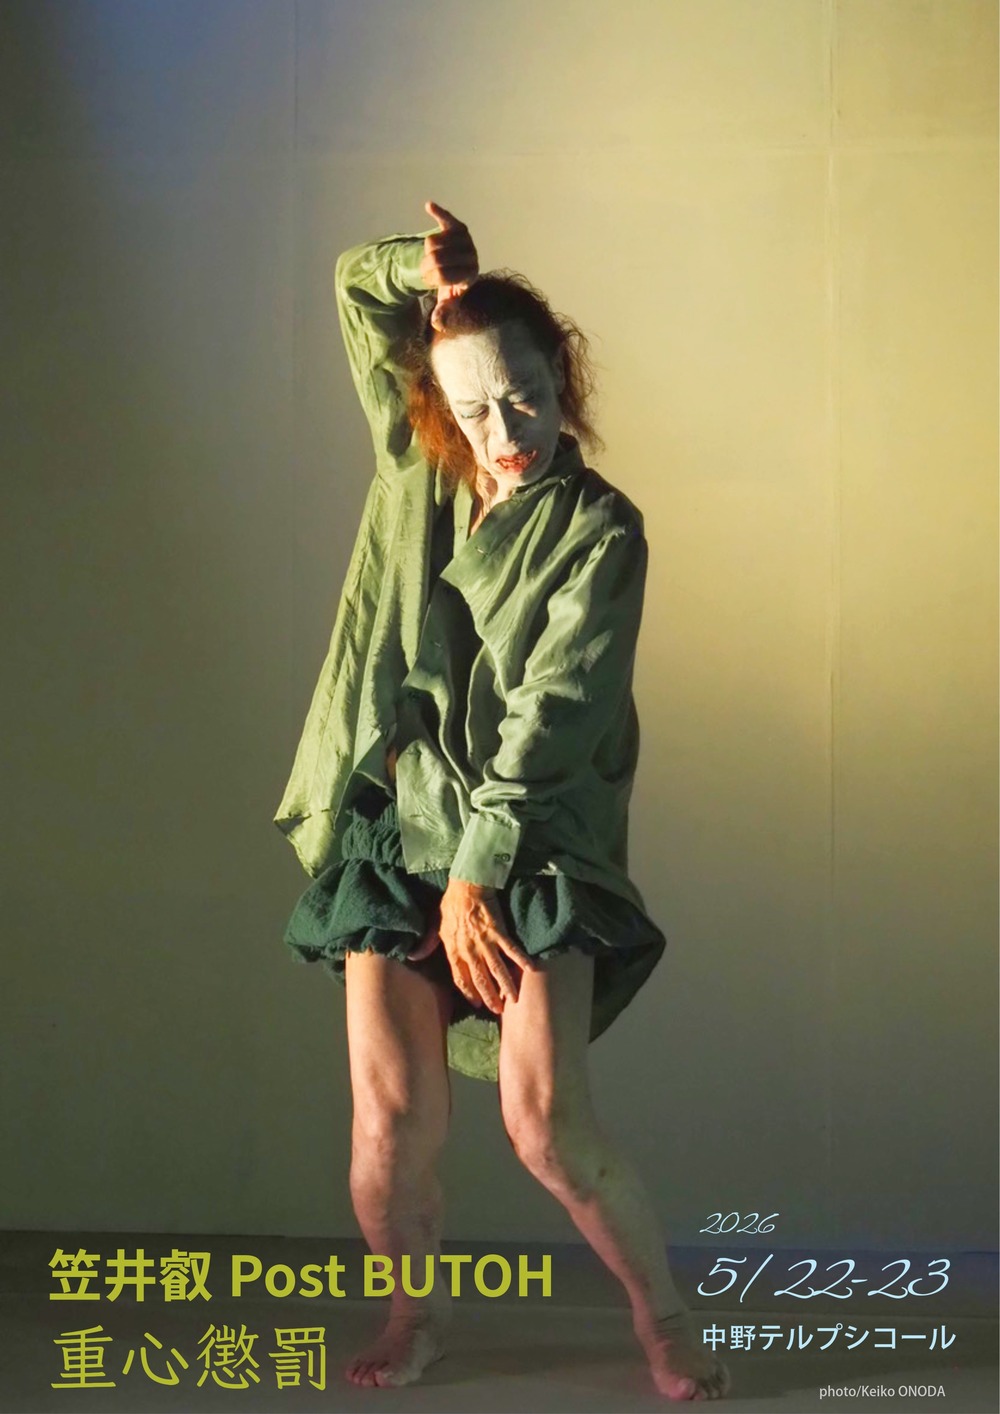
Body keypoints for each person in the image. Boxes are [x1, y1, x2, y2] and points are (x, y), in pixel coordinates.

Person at [274, 201, 731, 1401]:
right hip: (398, 826)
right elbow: (355, 287)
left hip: (526, 840)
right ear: (439, 405)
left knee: (544, 1125)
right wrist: (421, 272)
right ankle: (411, 1315)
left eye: (523, 397)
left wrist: (477, 875)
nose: (502, 430)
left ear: (559, 376)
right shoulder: (417, 469)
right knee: (387, 1125)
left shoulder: (600, 531)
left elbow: (554, 712)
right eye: (473, 407)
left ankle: (666, 1320)